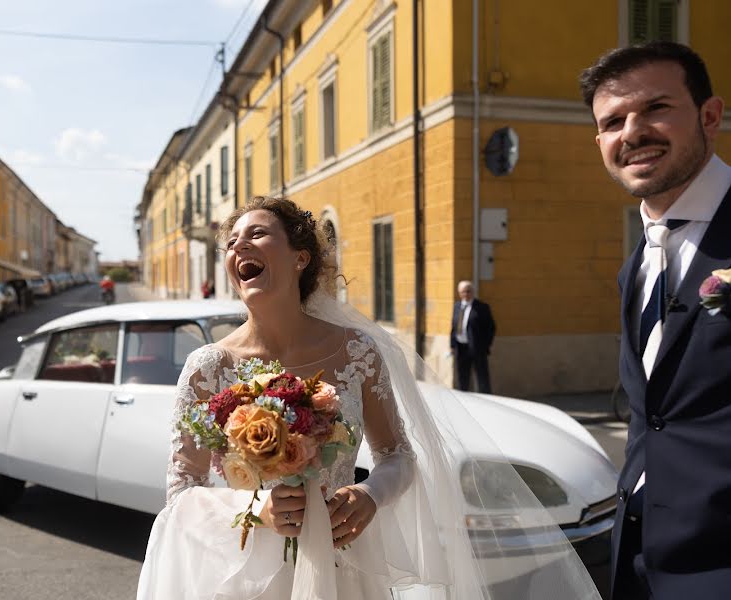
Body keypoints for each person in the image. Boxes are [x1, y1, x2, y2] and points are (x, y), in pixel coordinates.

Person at [137, 197, 600, 599]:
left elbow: (397, 454)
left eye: (256, 234)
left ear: (301, 257)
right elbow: (181, 493)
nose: (238, 246)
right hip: (246, 574)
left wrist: (370, 494)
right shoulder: (208, 367)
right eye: (232, 241)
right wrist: (255, 509)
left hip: (342, 566)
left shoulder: (355, 352)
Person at [580, 42, 731, 599]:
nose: (633, 132)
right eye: (613, 121)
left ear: (709, 116)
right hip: (639, 562)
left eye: (656, 108)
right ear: (600, 143)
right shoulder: (637, 264)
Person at [449, 280, 496, 393]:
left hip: (477, 348)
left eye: (468, 291)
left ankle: (486, 400)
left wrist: (485, 345)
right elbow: (454, 327)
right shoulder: (457, 306)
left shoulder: (482, 307)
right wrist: (452, 345)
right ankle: (464, 400)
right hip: (461, 348)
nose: (466, 294)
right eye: (463, 292)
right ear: (459, 293)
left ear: (473, 292)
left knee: (482, 378)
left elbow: (491, 328)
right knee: (463, 377)